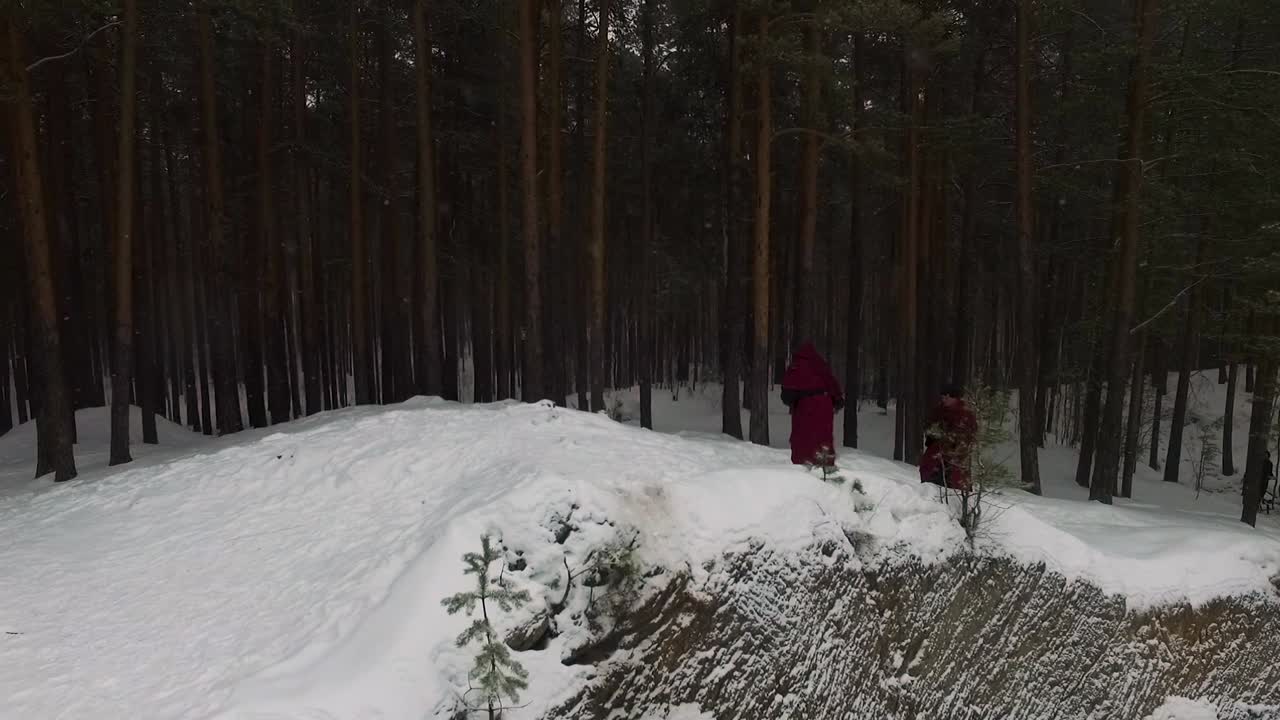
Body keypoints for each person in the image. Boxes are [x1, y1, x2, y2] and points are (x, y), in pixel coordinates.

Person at [781, 342, 844, 466]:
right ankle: (825, 468)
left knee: (803, 440)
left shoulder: (796, 366)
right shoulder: (820, 364)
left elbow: (787, 395)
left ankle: (803, 471)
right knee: (822, 440)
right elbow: (834, 387)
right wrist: (836, 401)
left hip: (805, 408)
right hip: (825, 407)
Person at [919, 383, 977, 491]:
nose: (944, 399)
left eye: (948, 396)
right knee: (931, 484)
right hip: (936, 454)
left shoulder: (965, 413)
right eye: (943, 396)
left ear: (955, 397)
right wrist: (932, 434)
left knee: (954, 485)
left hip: (955, 456)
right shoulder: (938, 410)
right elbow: (929, 426)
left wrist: (949, 439)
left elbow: (967, 435)